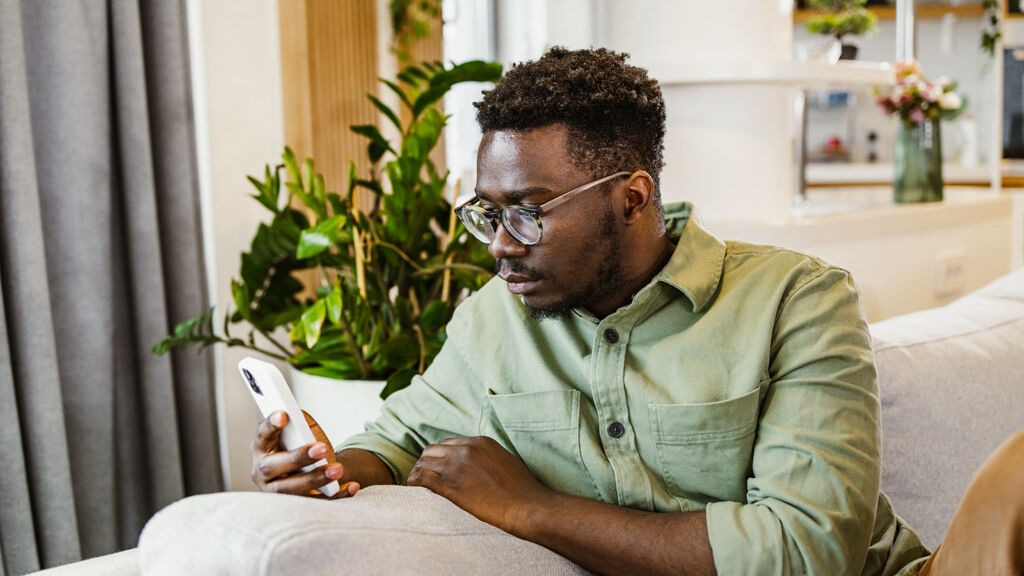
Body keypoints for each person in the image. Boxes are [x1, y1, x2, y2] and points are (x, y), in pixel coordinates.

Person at [249, 47, 1024, 575]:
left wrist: (538, 512)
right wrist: (319, 464)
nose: (501, 245)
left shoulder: (797, 299)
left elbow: (807, 549)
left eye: (529, 210)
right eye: (487, 212)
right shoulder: (493, 322)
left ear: (632, 197)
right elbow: (395, 438)